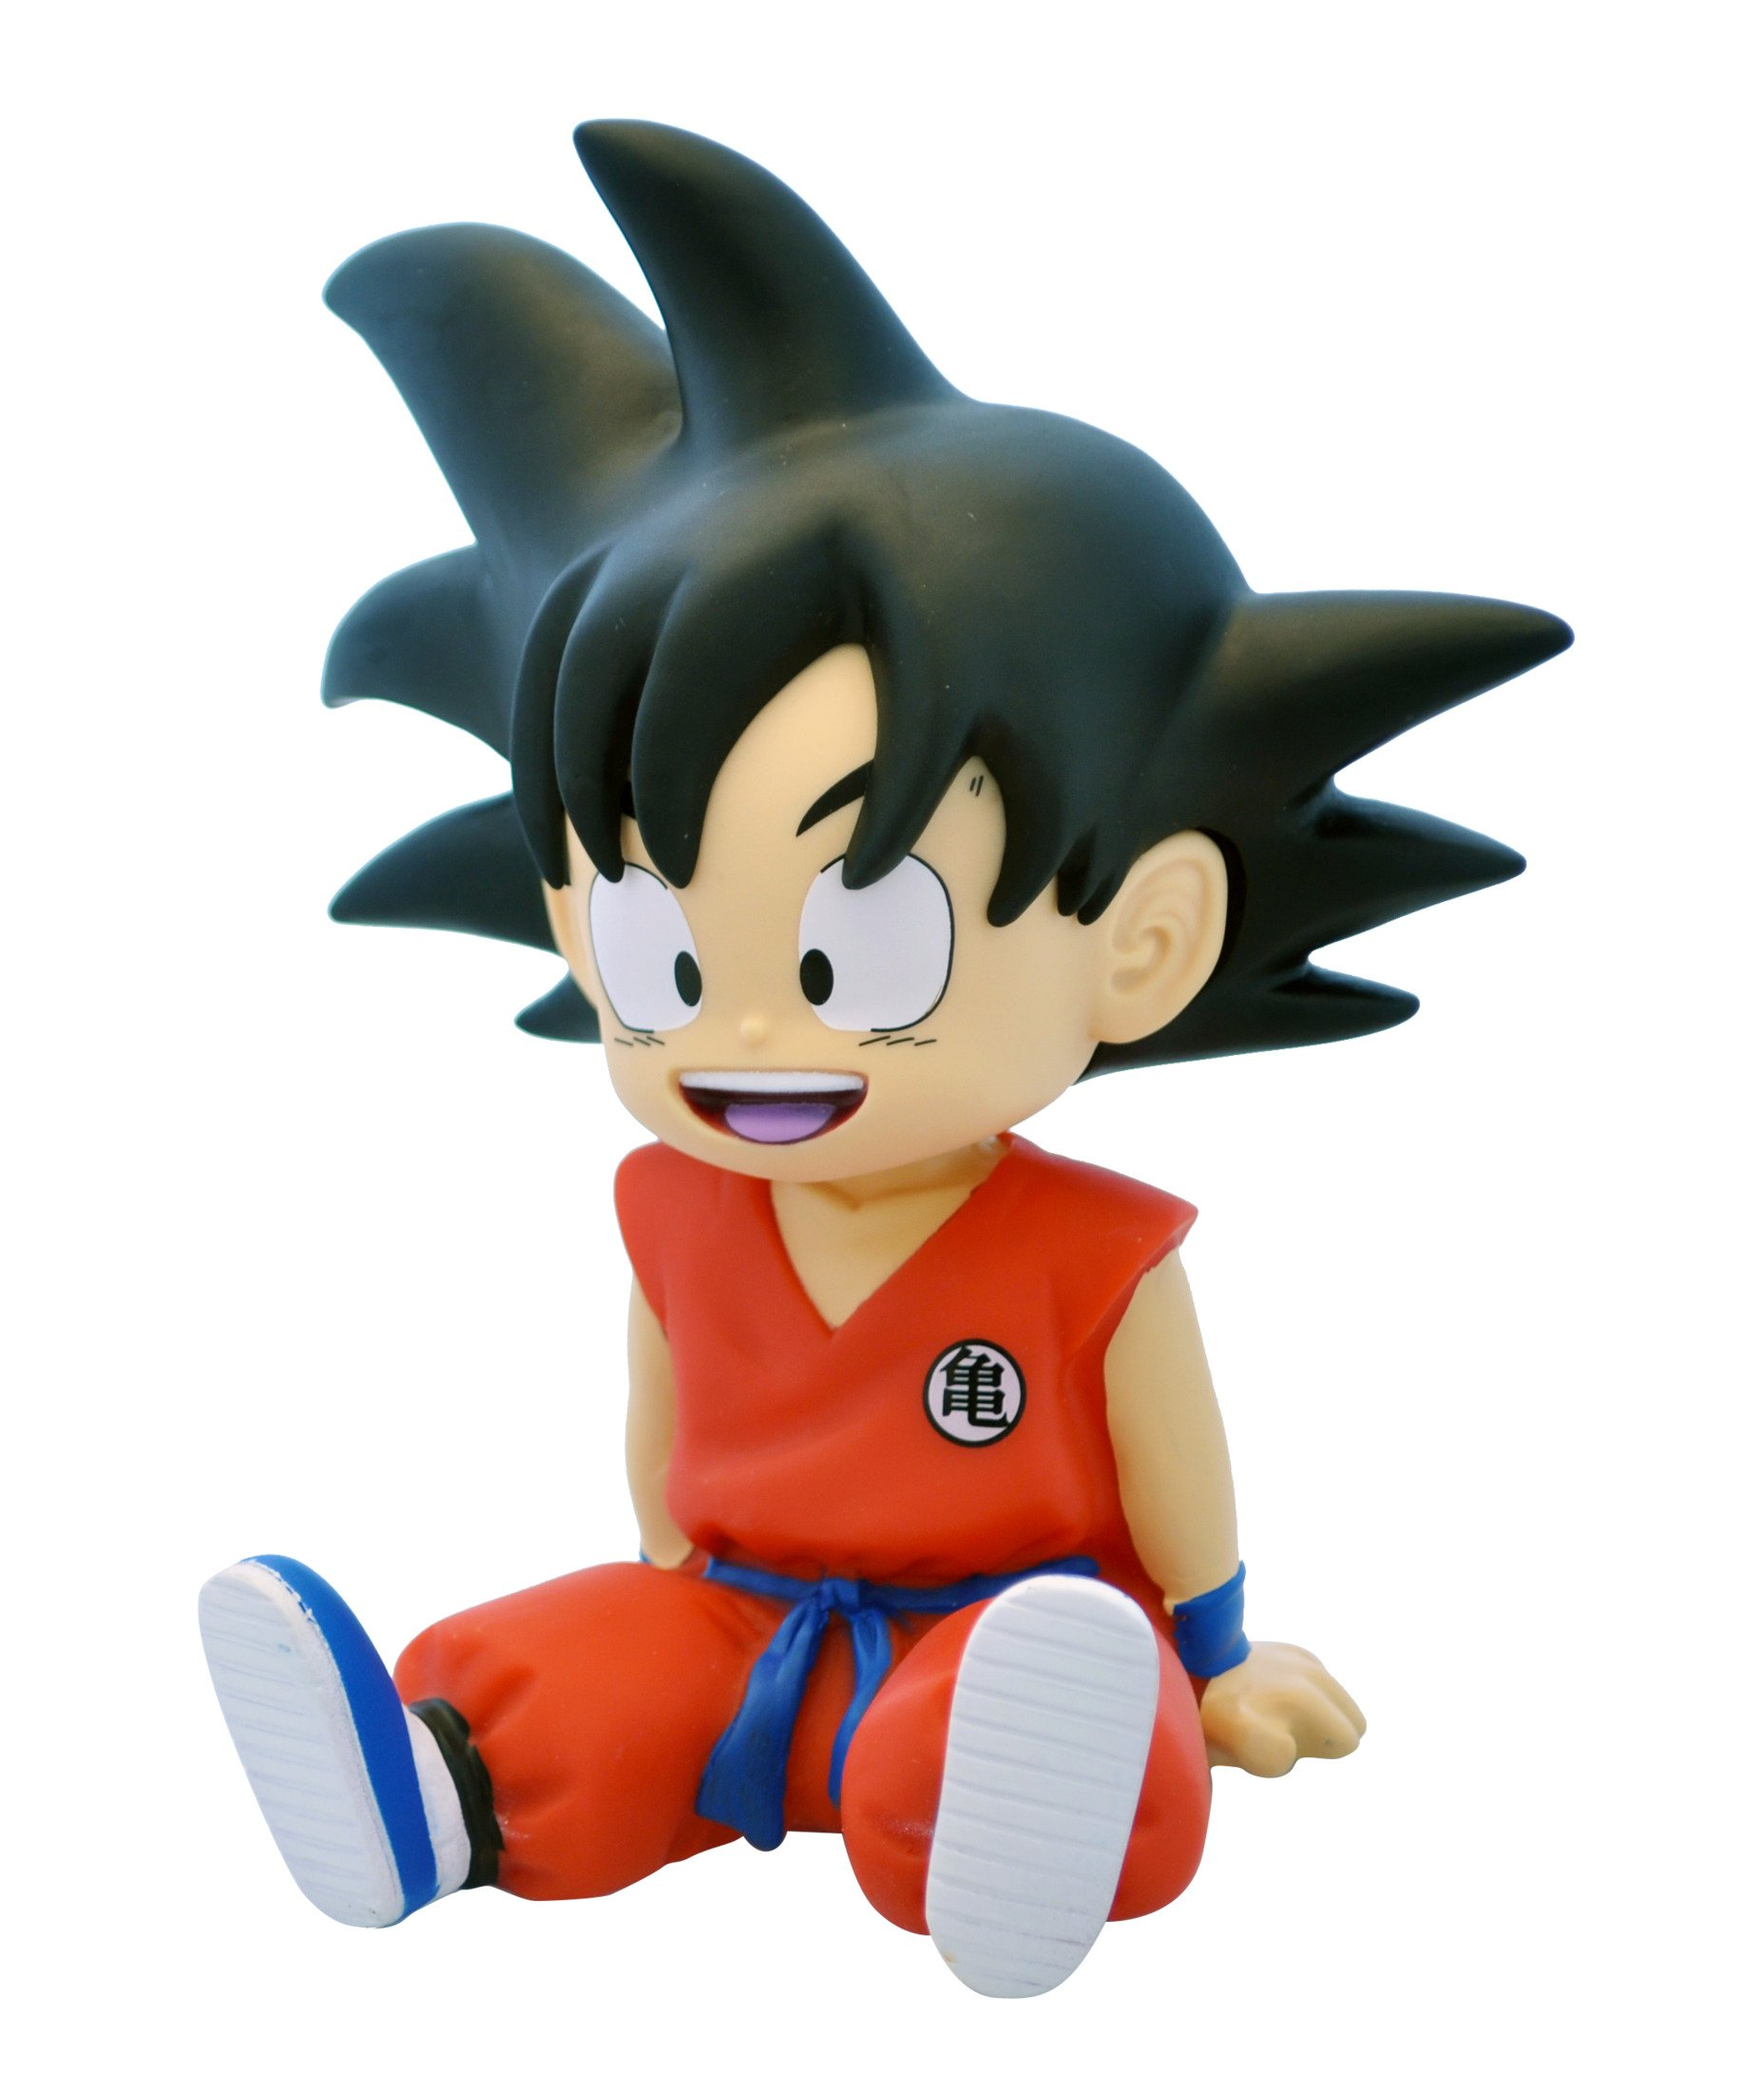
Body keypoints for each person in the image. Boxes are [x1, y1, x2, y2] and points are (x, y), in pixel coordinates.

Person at [198, 120, 1570, 1997]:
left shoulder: (1096, 1254)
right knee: (575, 1674)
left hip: (1008, 1634)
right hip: (739, 1626)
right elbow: (662, 1436)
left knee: (1051, 1707)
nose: (742, 1033)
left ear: (1147, 935)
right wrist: (652, 1597)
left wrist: (1220, 1651)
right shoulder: (673, 1205)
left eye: (862, 942)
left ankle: (1015, 1823)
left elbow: (1177, 1480)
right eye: (658, 954)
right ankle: (436, 1793)